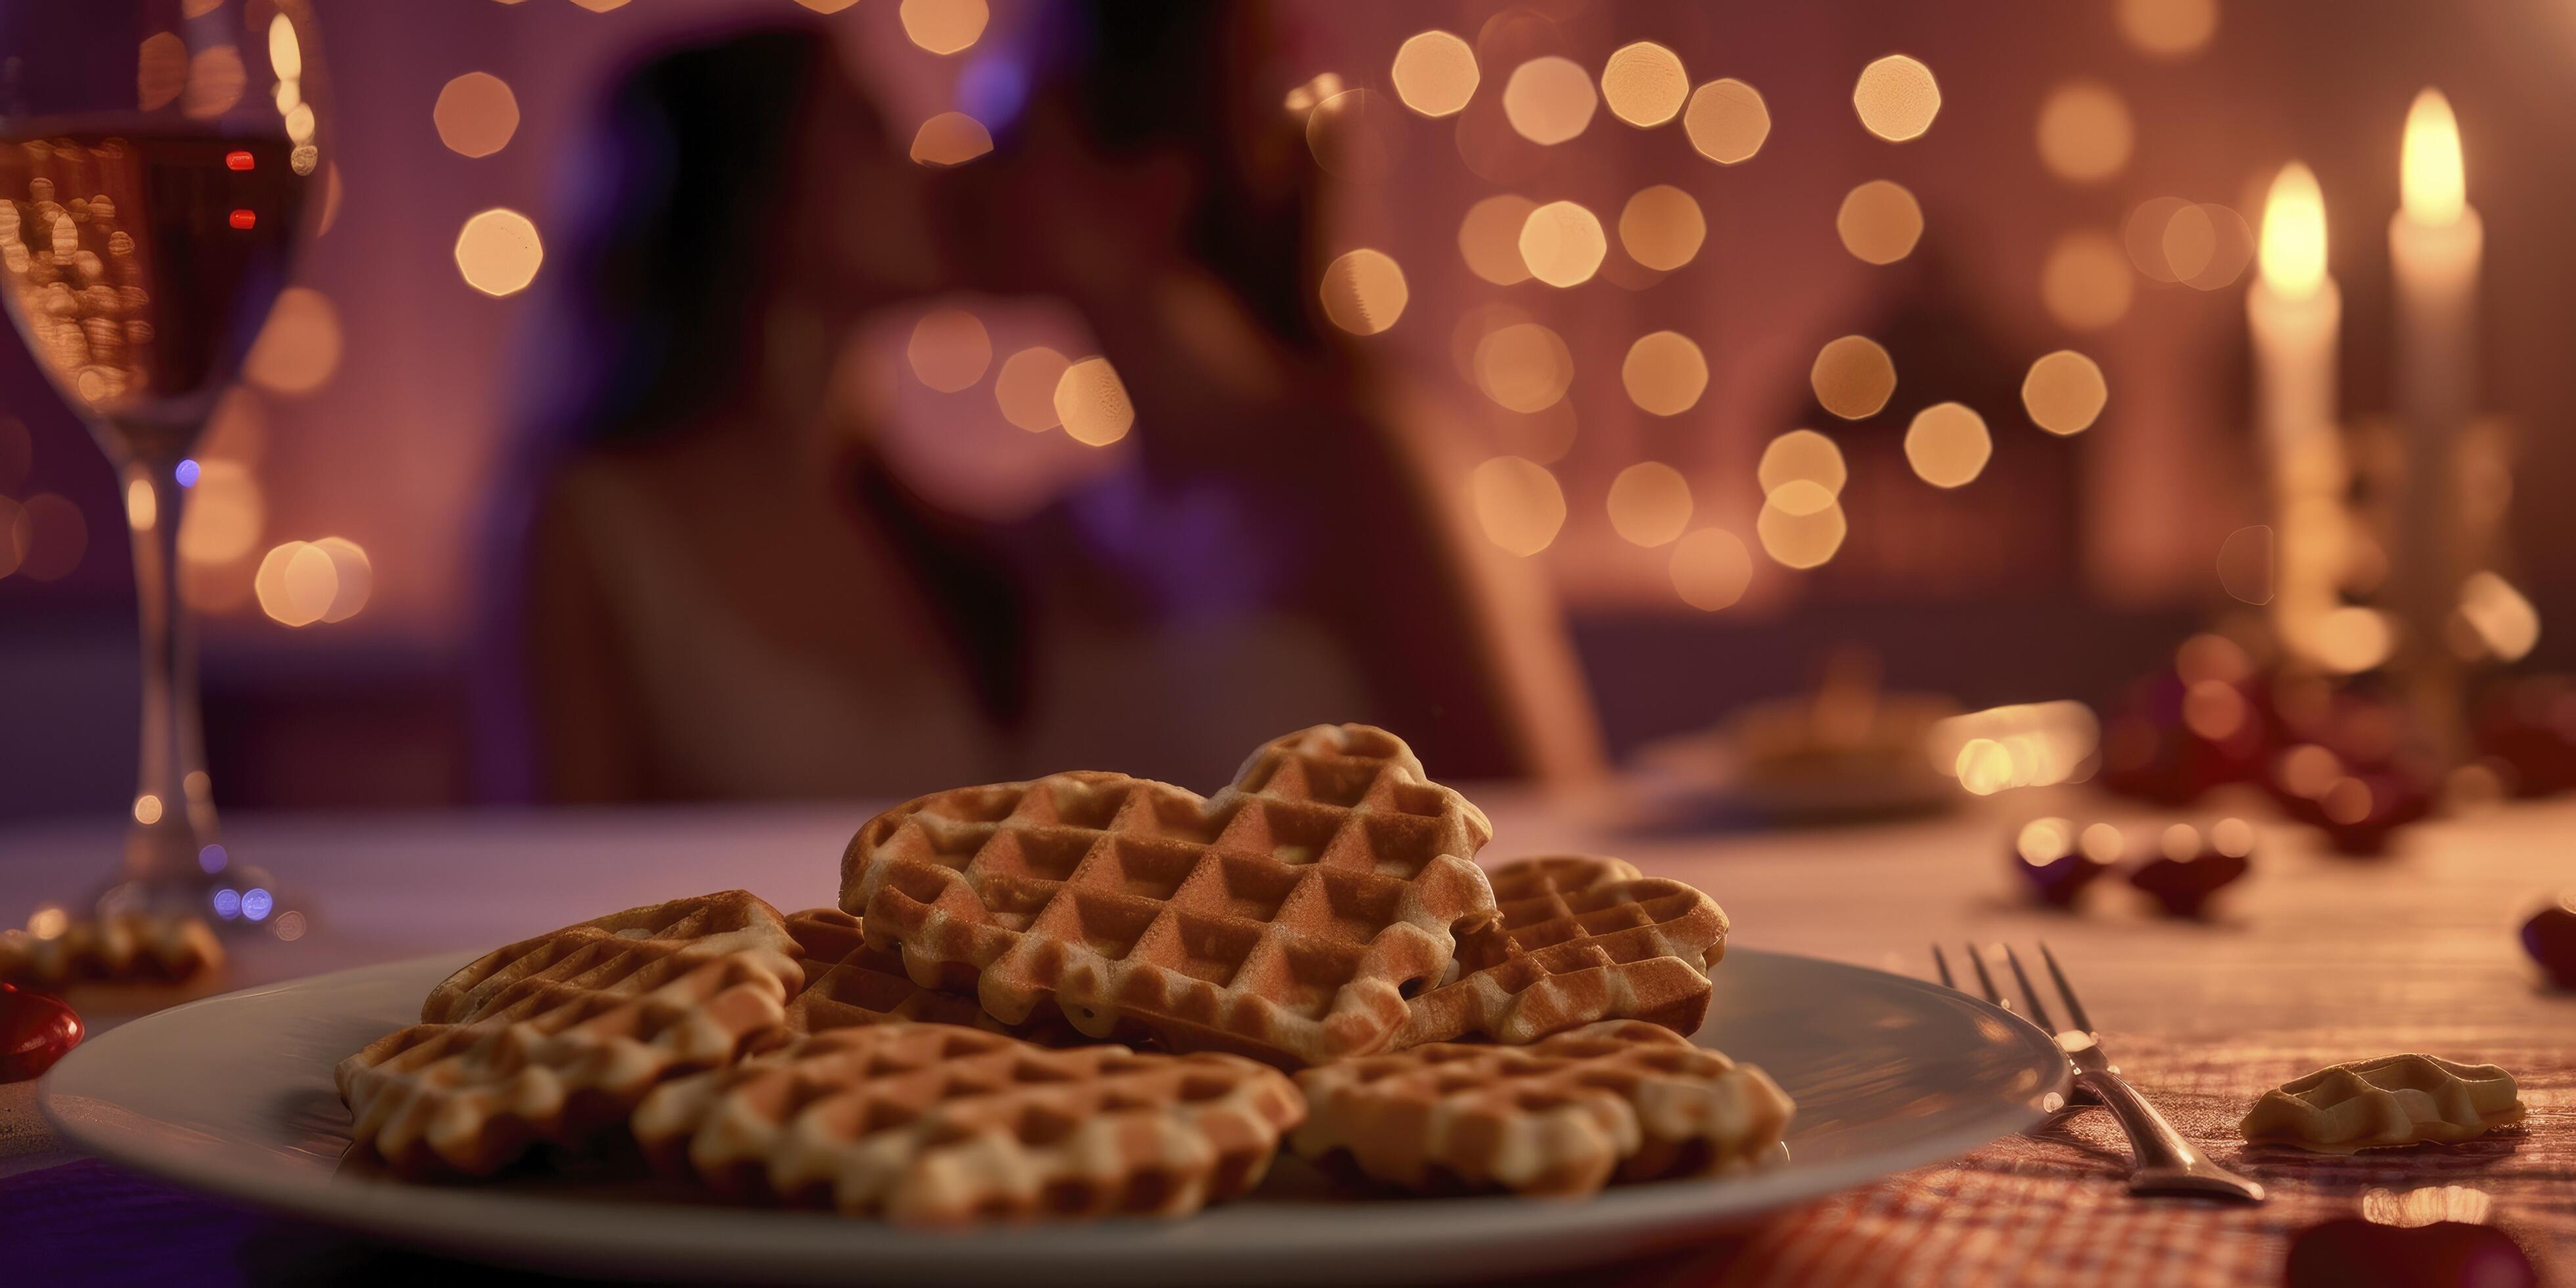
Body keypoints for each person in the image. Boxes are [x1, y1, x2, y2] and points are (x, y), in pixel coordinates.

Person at [491, 13, 1598, 802]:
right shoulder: (1044, 534)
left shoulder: (1361, 461)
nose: (958, 166)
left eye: (1011, 135)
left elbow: (1544, 809)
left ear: (1149, 188)